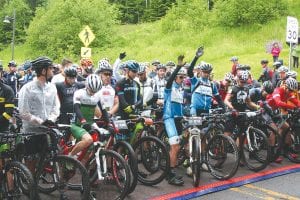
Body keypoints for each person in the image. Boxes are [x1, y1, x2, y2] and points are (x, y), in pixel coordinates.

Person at [18, 56, 60, 174]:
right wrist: (41, 121)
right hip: (31, 131)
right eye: (50, 68)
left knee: (51, 156)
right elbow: (23, 112)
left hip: (47, 129)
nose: (53, 71)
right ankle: (31, 186)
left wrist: (51, 119)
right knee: (31, 161)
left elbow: (56, 107)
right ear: (43, 71)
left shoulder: (52, 88)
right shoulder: (27, 89)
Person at [163, 55, 186, 186]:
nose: (183, 79)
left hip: (178, 119)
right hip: (169, 118)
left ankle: (171, 164)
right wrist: (178, 67)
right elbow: (170, 80)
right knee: (175, 146)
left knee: (179, 145)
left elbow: (181, 106)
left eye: (184, 77)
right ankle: (170, 175)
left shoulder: (181, 89)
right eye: (180, 77)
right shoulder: (169, 87)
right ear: (175, 77)